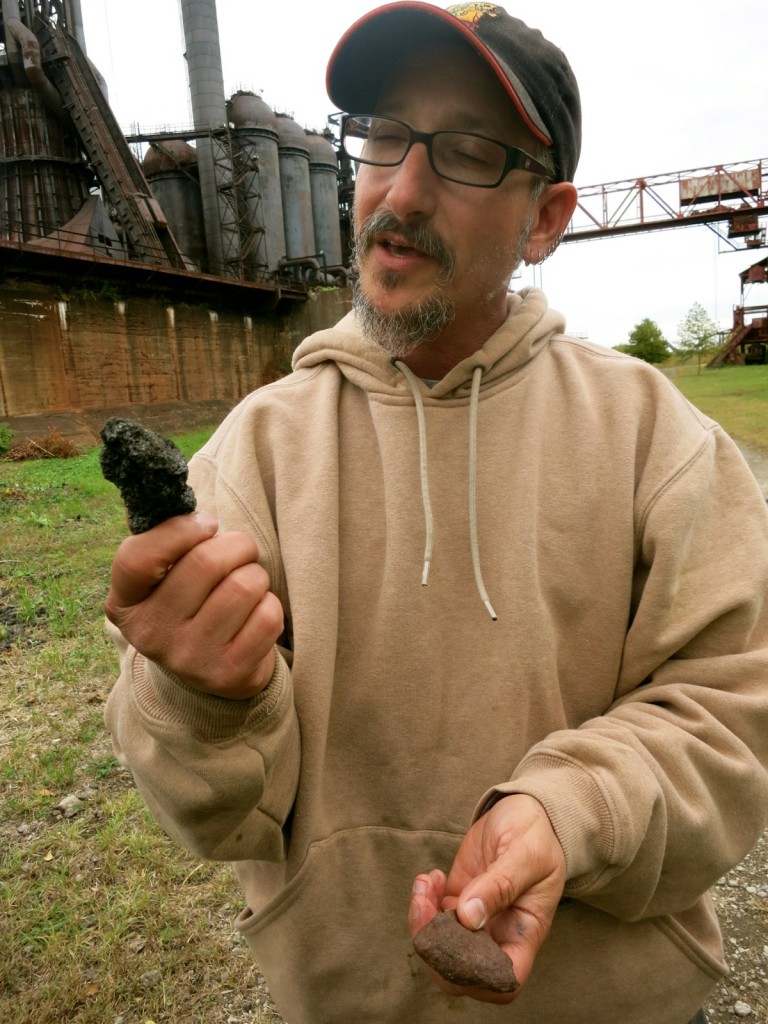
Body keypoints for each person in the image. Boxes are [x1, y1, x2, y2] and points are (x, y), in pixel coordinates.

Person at [103, 4, 768, 1023]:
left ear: (545, 219)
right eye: (381, 134)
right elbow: (217, 816)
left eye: (463, 152)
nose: (399, 189)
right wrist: (203, 702)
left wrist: (570, 807)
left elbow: (733, 721)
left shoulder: (656, 440)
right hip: (348, 997)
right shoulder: (254, 454)